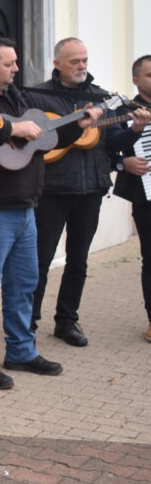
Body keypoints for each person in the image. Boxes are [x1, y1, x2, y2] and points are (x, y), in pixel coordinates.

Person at [0, 37, 101, 391]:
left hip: (26, 207)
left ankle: (21, 350)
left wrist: (80, 124)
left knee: (23, 285)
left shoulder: (18, 97)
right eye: (9, 64)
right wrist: (13, 127)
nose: (17, 69)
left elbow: (45, 138)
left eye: (15, 63)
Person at [29, 38, 142, 346]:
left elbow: (114, 142)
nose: (81, 66)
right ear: (57, 64)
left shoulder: (103, 98)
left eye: (84, 60)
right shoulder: (38, 96)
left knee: (78, 260)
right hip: (52, 189)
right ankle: (28, 324)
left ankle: (67, 321)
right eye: (74, 61)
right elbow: (33, 140)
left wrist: (134, 129)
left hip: (90, 188)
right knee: (40, 260)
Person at [106, 54, 151, 343]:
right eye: (149, 75)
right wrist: (123, 164)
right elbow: (107, 147)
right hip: (146, 193)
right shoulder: (123, 109)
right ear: (136, 80)